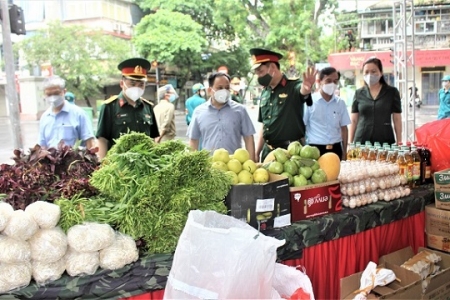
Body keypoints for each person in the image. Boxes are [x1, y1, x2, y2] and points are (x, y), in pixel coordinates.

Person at [250, 48, 316, 162]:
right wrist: (257, 152)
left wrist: (307, 88)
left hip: (291, 154)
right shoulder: (265, 92)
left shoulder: (293, 86)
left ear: (272, 68)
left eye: (261, 72)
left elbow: (302, 91)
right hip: (268, 153)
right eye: (257, 73)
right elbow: (264, 126)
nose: (259, 77)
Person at [96, 58, 159, 159]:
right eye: (132, 84)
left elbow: (153, 138)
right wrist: (102, 165)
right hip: (118, 166)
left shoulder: (148, 107)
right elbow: (102, 139)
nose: (137, 88)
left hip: (145, 165)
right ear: (122, 84)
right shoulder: (109, 107)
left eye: (141, 84)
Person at [187, 72, 256, 161]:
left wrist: (251, 162)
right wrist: (194, 165)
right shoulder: (199, 112)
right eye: (220, 88)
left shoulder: (240, 110)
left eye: (227, 88)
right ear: (209, 90)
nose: (224, 91)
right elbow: (193, 140)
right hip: (209, 167)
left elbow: (248, 138)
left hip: (235, 167)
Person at [349, 57, 402, 145]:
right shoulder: (358, 93)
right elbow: (354, 120)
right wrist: (350, 142)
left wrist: (399, 141)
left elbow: (397, 119)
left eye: (373, 71)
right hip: (362, 140)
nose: (370, 75)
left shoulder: (392, 92)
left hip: (385, 140)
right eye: (366, 72)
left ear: (381, 73)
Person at [304, 67, 351, 160]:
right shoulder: (309, 102)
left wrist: (344, 152)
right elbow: (302, 127)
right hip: (315, 150)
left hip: (336, 149)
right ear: (320, 81)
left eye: (335, 81)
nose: (332, 84)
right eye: (328, 80)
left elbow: (344, 129)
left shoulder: (340, 103)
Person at [39, 76, 95, 149]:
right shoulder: (45, 117)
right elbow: (42, 146)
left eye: (56, 93)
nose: (53, 97)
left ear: (64, 92)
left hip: (75, 160)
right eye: (49, 94)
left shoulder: (79, 114)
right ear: (45, 94)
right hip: (51, 159)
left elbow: (90, 143)